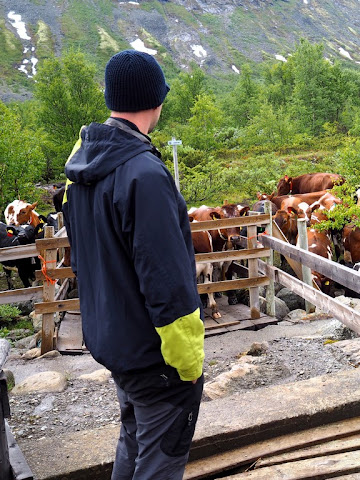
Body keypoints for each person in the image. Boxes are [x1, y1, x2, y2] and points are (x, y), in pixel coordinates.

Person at [62, 50, 204, 480]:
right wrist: (188, 364)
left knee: (134, 438)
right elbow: (166, 281)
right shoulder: (144, 174)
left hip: (114, 342)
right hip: (156, 356)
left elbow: (87, 255)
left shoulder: (81, 172)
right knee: (160, 459)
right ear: (155, 101)